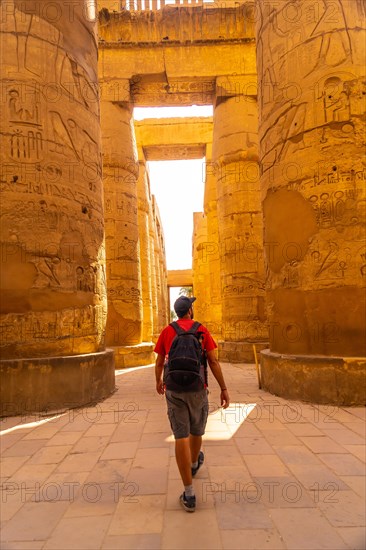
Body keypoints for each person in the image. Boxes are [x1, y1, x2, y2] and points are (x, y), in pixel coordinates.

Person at [154, 295, 230, 513]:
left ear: (177, 312)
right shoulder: (201, 330)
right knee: (196, 430)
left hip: (175, 389)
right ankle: (195, 463)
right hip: (197, 388)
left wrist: (158, 381)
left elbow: (159, 361)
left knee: (181, 436)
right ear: (190, 311)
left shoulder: (168, 331)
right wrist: (224, 388)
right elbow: (213, 361)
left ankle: (189, 493)